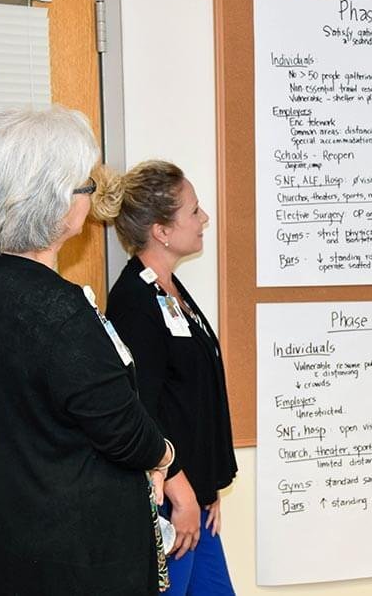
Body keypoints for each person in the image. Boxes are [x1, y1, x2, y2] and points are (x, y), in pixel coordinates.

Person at [0, 106, 174, 595]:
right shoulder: (56, 310)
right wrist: (164, 454)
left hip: (1, 545)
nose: (91, 195)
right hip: (73, 560)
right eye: (84, 185)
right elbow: (122, 431)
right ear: (53, 203)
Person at [99, 160, 238, 595]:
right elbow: (140, 411)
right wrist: (180, 494)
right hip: (170, 505)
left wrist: (211, 483)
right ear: (161, 229)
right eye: (195, 211)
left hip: (197, 498)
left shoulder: (168, 290)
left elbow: (194, 395)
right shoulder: (134, 302)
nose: (205, 219)